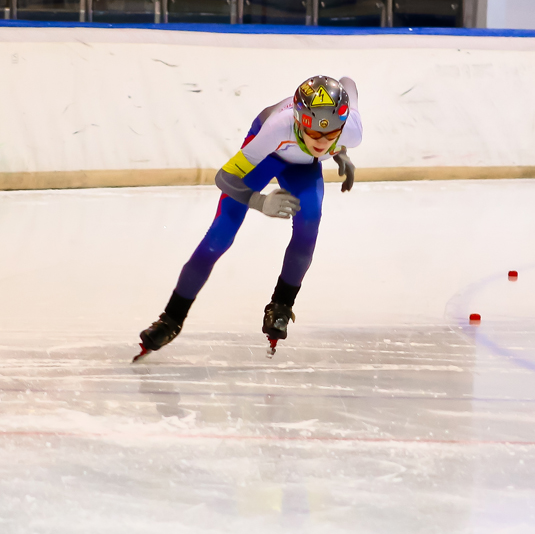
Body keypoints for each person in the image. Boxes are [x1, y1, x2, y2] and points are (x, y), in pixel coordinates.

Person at [134, 75, 363, 361]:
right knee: (220, 236)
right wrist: (259, 201)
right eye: (314, 134)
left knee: (310, 221)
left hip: (303, 167)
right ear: (298, 122)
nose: (322, 142)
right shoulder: (277, 128)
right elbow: (224, 177)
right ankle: (171, 318)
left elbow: (348, 83)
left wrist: (340, 152)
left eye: (331, 135)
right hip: (266, 155)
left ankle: (281, 305)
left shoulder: (350, 131)